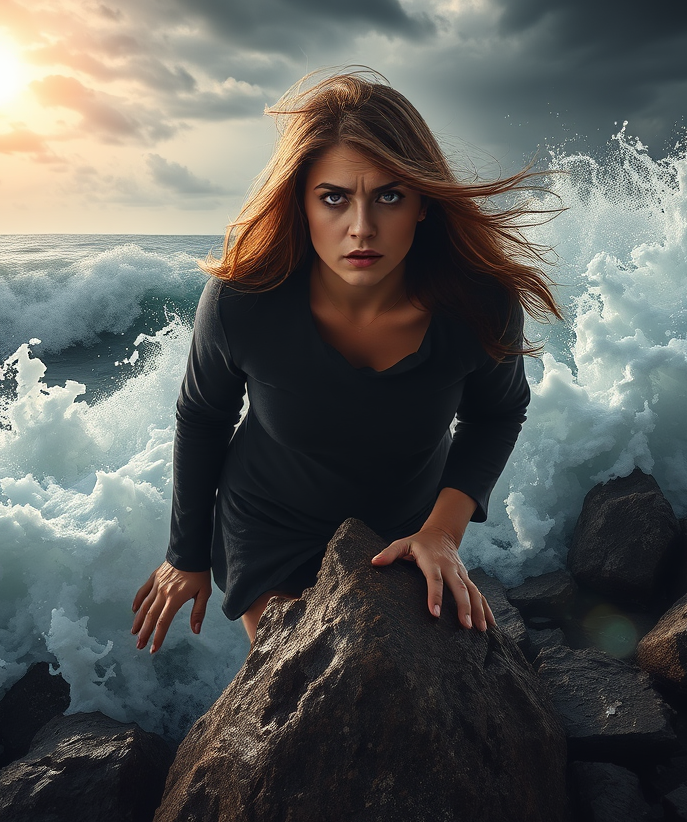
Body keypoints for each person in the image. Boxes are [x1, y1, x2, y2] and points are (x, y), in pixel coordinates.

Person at [132, 69, 561, 653]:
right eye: (334, 198)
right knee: (306, 672)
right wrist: (185, 557)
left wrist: (442, 533)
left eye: (389, 195)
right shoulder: (243, 302)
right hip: (269, 530)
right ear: (301, 204)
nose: (362, 228)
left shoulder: (478, 304)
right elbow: (203, 417)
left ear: (423, 205)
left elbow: (498, 414)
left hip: (401, 530)